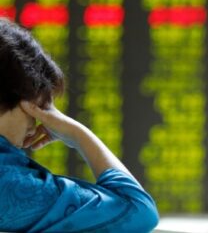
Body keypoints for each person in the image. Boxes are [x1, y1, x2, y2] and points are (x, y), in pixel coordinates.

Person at [0, 18, 159, 232]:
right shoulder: (10, 183)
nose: (34, 125)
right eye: (36, 108)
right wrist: (78, 135)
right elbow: (138, 210)